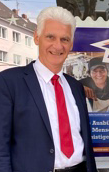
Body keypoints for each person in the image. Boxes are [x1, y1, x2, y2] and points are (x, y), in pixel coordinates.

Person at [0, 6, 97, 172]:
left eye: (64, 39)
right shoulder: (9, 82)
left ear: (71, 44)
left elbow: (84, 141)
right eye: (50, 37)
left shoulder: (76, 87)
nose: (57, 46)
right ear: (37, 37)